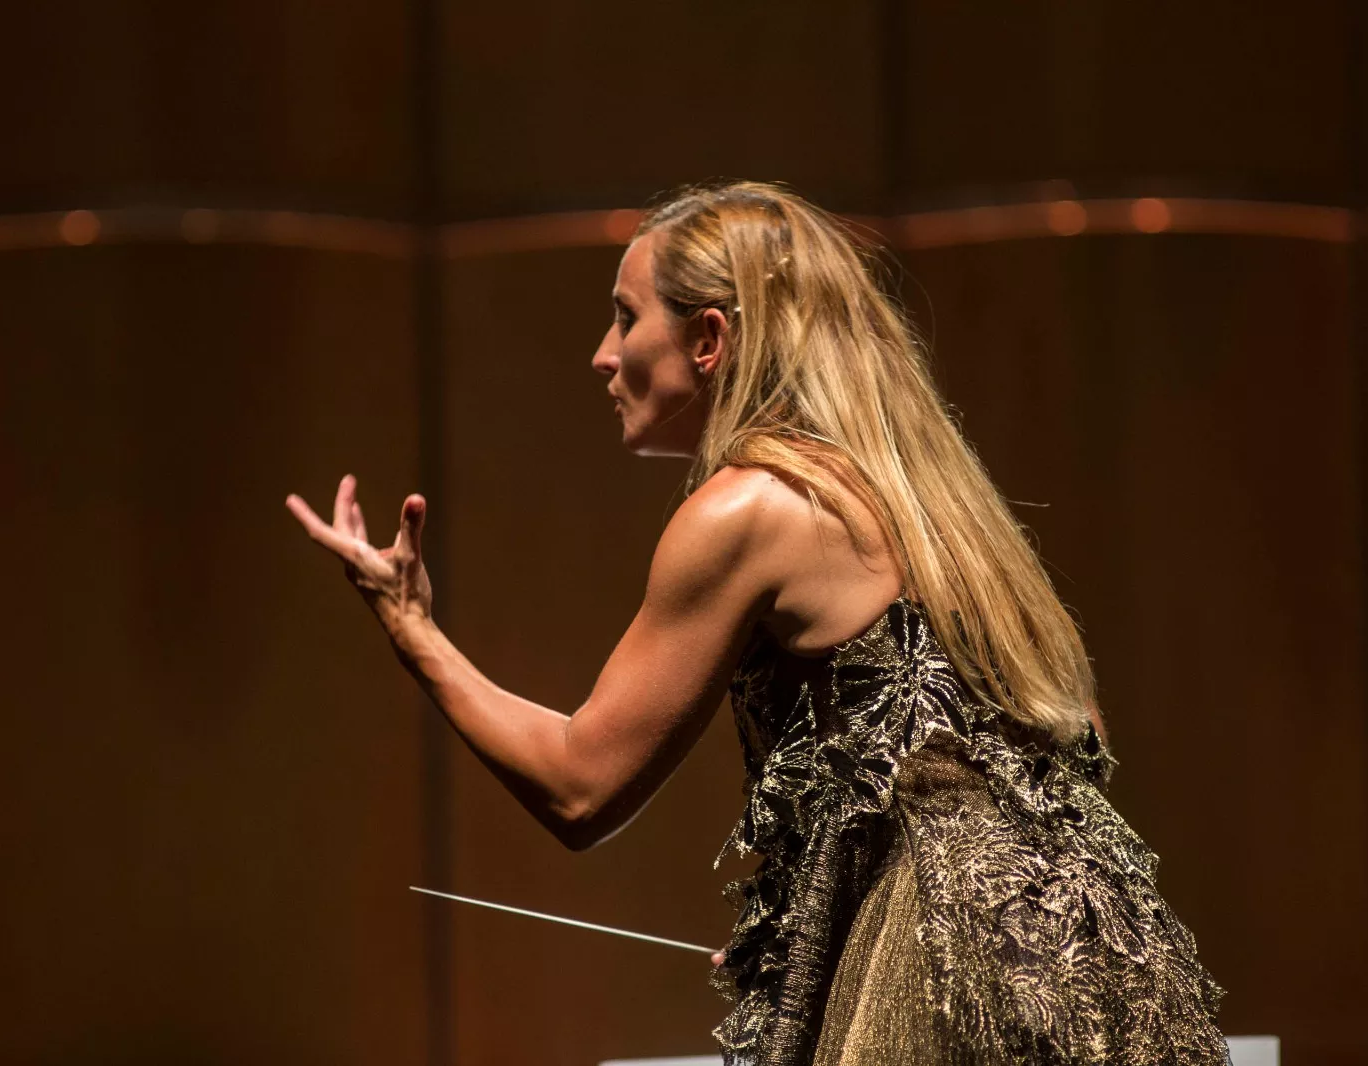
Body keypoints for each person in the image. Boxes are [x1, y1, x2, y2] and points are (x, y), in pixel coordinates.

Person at [285, 180, 1229, 1065]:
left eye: (625, 317)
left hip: (949, 985)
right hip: (1105, 967)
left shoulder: (749, 508)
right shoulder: (948, 515)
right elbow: (1070, 749)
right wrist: (832, 920)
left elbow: (580, 787)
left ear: (709, 338)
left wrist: (411, 627)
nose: (603, 354)